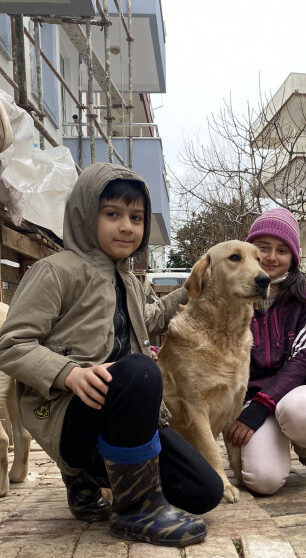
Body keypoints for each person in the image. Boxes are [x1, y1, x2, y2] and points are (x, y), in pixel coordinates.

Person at [0, 163, 223, 547]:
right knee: (140, 370)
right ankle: (136, 510)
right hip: (70, 414)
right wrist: (68, 373)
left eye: (136, 217)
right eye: (112, 214)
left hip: (124, 411)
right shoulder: (56, 271)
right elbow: (11, 345)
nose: (127, 227)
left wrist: (190, 289)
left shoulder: (129, 281)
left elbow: (149, 320)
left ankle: (89, 480)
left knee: (205, 491)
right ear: (86, 215)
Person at [227, 208, 306, 494]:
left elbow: (304, 358)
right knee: (262, 481)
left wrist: (259, 409)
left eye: (282, 250)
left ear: (293, 257)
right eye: (262, 248)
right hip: (253, 396)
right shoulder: (229, 295)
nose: (271, 257)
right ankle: (271, 441)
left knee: (300, 411)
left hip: (301, 388)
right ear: (249, 250)